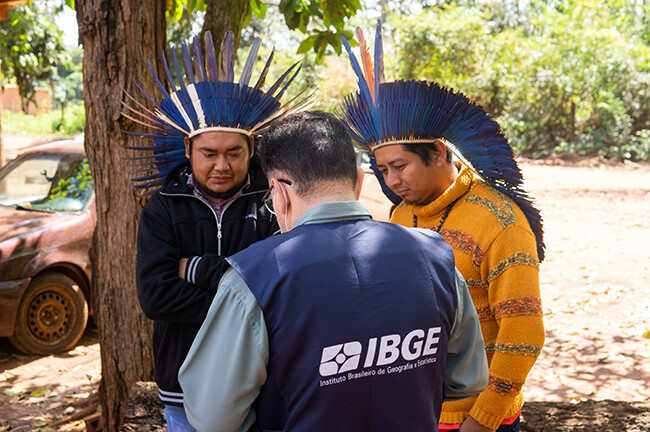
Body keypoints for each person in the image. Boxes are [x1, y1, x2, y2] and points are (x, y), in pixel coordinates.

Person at [178, 111, 488, 432]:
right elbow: (467, 379)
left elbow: (212, 417)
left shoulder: (255, 276)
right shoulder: (436, 258)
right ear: (358, 180)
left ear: (278, 191)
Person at [338, 25, 545, 432]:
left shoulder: (500, 223)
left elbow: (524, 332)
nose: (392, 181)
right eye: (383, 170)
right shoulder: (401, 214)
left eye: (400, 166)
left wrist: (482, 420)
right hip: (413, 412)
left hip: (477, 420)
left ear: (438, 152)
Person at [125, 31, 308, 431]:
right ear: (189, 149)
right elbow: (156, 297)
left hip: (265, 383)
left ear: (252, 150)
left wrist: (196, 270)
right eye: (209, 153)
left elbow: (285, 291)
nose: (221, 165)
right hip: (184, 387)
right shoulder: (163, 208)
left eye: (234, 153)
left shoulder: (274, 204)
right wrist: (245, 295)